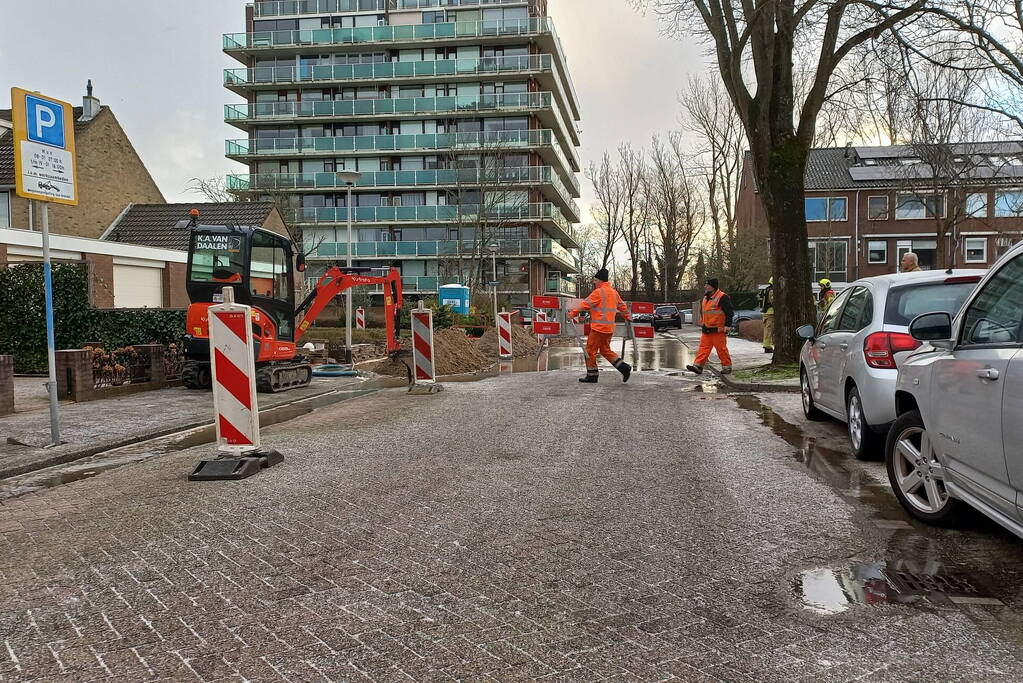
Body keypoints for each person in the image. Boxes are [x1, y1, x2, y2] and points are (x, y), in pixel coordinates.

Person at [568, 268, 632, 384]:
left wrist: (572, 314)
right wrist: (628, 317)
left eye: (595, 280)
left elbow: (585, 305)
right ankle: (624, 368)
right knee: (605, 350)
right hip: (609, 329)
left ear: (601, 281)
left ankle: (592, 376)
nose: (594, 282)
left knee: (590, 351)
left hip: (598, 328)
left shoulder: (598, 292)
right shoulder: (614, 293)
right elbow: (622, 307)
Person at [686, 278, 734, 375]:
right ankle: (698, 366)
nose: (705, 286)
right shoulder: (705, 298)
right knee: (703, 348)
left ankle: (727, 367)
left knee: (721, 349)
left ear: (713, 287)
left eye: (707, 285)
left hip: (718, 329)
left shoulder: (722, 297)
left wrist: (727, 325)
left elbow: (729, 313)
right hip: (707, 328)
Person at [759, 277, 774, 354]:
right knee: (769, 330)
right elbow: (773, 301)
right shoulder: (771, 290)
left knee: (767, 329)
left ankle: (767, 345)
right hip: (770, 313)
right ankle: (767, 346)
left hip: (766, 312)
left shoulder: (766, 289)